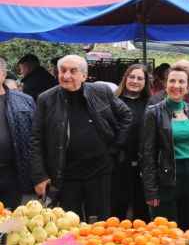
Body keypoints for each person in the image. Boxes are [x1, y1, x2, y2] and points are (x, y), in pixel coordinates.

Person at [30, 55, 133, 220]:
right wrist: (39, 176)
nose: (66, 76)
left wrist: (115, 147)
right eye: (62, 71)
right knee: (70, 223)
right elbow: (36, 139)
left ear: (84, 76)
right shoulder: (46, 99)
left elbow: (126, 115)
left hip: (100, 172)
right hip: (66, 174)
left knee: (99, 224)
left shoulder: (101, 92)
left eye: (73, 71)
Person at [140, 64, 189, 230]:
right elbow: (147, 153)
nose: (176, 86)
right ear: (166, 85)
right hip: (165, 177)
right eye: (172, 81)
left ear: (187, 88)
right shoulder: (154, 112)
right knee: (167, 230)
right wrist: (151, 190)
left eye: (182, 82)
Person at [113, 64, 151, 221]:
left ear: (145, 82)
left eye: (140, 78)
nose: (135, 81)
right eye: (132, 77)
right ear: (125, 79)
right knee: (117, 207)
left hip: (143, 165)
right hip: (118, 164)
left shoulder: (151, 104)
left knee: (141, 209)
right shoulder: (113, 102)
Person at [0, 57, 35, 209]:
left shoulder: (24, 101)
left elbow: (37, 138)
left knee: (10, 224)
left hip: (12, 173)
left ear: (2, 74)